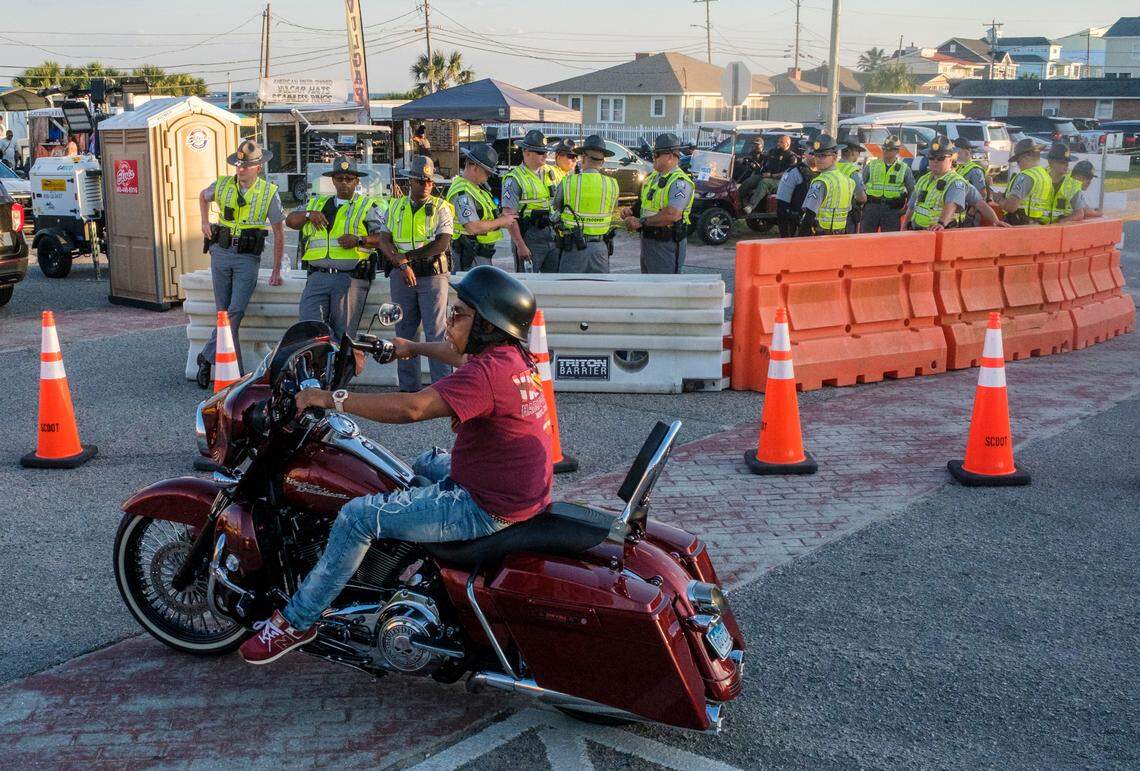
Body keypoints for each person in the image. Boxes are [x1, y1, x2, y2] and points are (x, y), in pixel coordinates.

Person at [238, 265, 552, 665]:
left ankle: (297, 622)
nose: (449, 320)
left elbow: (412, 408)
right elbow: (457, 353)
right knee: (421, 463)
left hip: (483, 506)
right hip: (515, 489)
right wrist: (412, 347)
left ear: (487, 326)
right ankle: (399, 556)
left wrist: (329, 398)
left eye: (459, 314)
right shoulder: (511, 357)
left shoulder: (486, 374)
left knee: (356, 516)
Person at [195, 139, 286, 388]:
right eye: (238, 165)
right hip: (221, 253)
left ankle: (207, 357)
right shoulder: (223, 184)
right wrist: (204, 222)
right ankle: (234, 373)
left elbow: (279, 232)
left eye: (246, 166)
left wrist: (276, 269)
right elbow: (202, 197)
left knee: (234, 312)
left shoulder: (269, 192)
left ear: (258, 167)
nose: (241, 169)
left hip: (247, 257)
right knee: (224, 314)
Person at [377, 155, 454, 392]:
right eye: (421, 181)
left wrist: (407, 258)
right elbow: (383, 239)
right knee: (404, 331)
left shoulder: (442, 208)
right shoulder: (395, 206)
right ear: (410, 181)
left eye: (430, 181)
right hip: (402, 276)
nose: (426, 185)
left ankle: (442, 389)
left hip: (432, 275)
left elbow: (442, 243)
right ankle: (409, 388)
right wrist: (401, 264)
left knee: (436, 333)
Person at [287, 156, 383, 341]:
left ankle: (341, 371)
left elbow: (384, 239)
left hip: (349, 279)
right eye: (340, 178)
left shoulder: (367, 206)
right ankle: (317, 370)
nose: (344, 183)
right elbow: (290, 220)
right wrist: (308, 215)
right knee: (310, 332)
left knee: (343, 338)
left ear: (357, 180)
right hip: (317, 277)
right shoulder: (317, 204)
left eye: (349, 179)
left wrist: (359, 240)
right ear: (333, 180)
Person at [623, 132, 694, 274]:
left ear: (669, 156)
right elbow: (644, 203)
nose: (652, 157)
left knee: (664, 291)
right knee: (649, 289)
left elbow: (672, 215)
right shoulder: (652, 178)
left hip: (667, 244)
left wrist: (641, 222)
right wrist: (631, 211)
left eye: (656, 154)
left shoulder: (680, 182)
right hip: (648, 242)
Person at [906, 135, 1006, 231]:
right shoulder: (923, 179)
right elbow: (911, 207)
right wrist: (904, 226)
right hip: (918, 233)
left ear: (950, 159)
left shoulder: (955, 182)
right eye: (931, 158)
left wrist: (996, 221)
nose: (935, 161)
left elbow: (974, 204)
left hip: (942, 234)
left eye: (940, 158)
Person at [551, 134, 619, 273]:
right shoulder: (612, 184)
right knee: (597, 293)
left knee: (571, 291)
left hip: (574, 249)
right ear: (602, 160)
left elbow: (556, 206)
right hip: (600, 250)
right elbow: (613, 208)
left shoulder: (568, 182)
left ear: (584, 158)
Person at [445, 143, 516, 271]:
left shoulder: (477, 189)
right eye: (487, 172)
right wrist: (501, 221)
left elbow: (486, 216)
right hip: (470, 256)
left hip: (479, 255)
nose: (489, 176)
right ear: (475, 167)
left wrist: (500, 219)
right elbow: (472, 227)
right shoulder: (463, 193)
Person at [502, 129, 560, 273]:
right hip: (528, 237)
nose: (546, 155)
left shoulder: (550, 172)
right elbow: (509, 216)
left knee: (554, 284)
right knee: (527, 284)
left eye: (546, 151)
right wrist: (520, 245)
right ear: (526, 152)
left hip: (551, 235)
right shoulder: (514, 179)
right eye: (540, 152)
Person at [797, 134, 863, 237]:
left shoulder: (820, 182)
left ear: (835, 157)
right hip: (840, 236)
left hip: (819, 236)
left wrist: (799, 241)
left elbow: (809, 215)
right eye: (816, 155)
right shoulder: (849, 181)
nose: (818, 159)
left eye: (823, 155)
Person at [860, 136, 914, 233]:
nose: (885, 151)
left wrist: (906, 209)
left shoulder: (904, 168)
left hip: (892, 210)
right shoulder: (872, 165)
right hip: (871, 207)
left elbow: (912, 190)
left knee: (889, 241)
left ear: (897, 151)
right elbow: (860, 185)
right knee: (866, 239)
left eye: (889, 150)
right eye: (884, 149)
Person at [743, 134, 798, 214]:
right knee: (750, 180)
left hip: (780, 181)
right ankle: (737, 199)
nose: (778, 143)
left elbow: (788, 174)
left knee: (764, 182)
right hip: (766, 176)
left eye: (781, 142)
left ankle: (751, 206)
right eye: (778, 141)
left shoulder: (791, 157)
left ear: (787, 144)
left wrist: (771, 175)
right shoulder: (772, 152)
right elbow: (763, 162)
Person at [775, 144, 817, 238]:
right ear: (805, 154)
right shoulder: (794, 172)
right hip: (798, 225)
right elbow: (781, 205)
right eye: (812, 153)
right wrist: (786, 235)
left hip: (819, 228)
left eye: (819, 153)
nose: (815, 156)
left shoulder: (826, 174)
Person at [837, 140, 866, 232]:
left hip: (831, 215)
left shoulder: (833, 167)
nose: (859, 154)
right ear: (852, 152)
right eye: (858, 152)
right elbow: (862, 198)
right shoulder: (852, 171)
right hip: (847, 214)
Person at [736, 136, 768, 210]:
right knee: (741, 178)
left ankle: (741, 199)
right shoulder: (753, 152)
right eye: (755, 144)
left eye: (758, 144)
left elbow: (763, 167)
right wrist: (743, 160)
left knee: (748, 182)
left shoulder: (765, 155)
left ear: (762, 145)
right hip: (752, 171)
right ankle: (739, 198)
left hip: (761, 174)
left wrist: (755, 165)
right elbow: (748, 158)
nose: (756, 146)